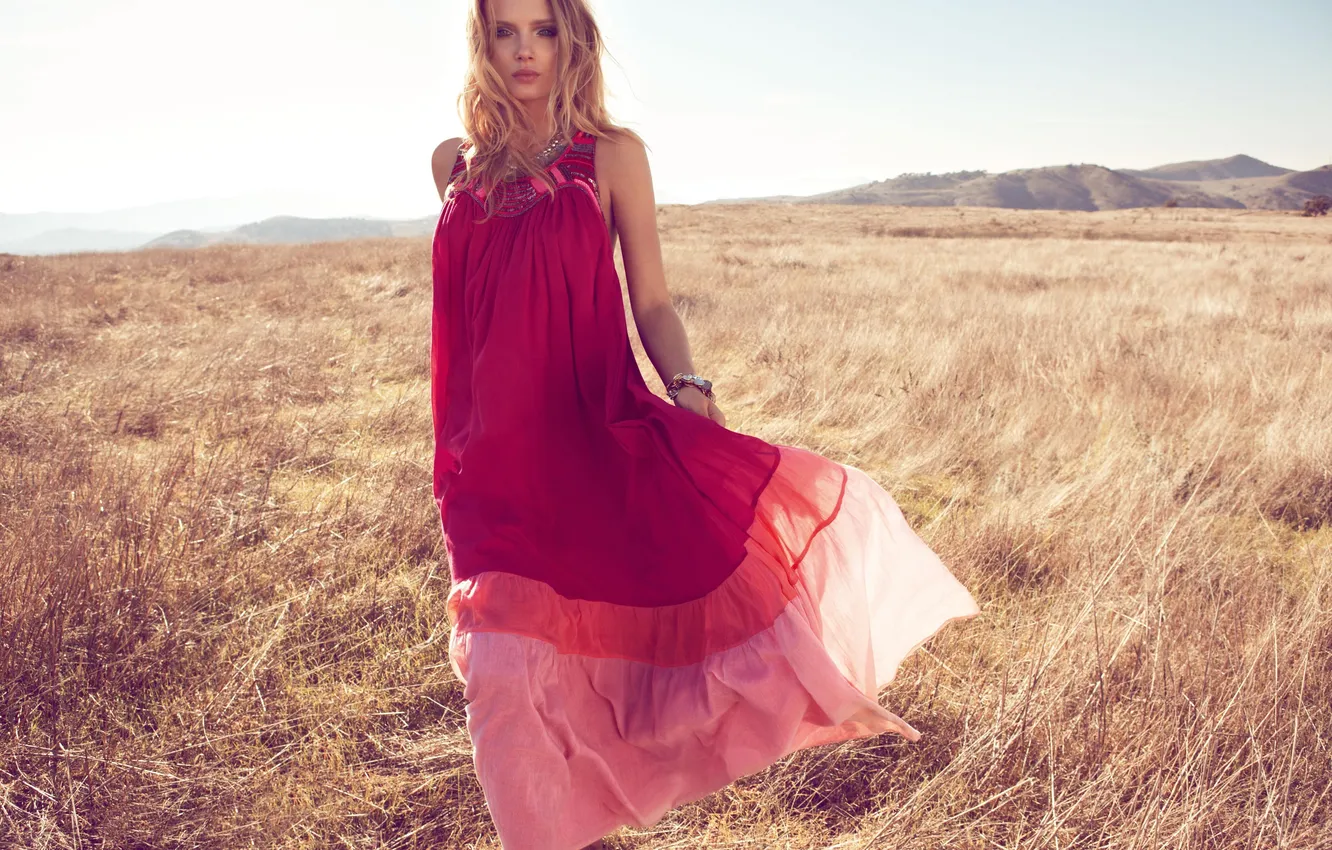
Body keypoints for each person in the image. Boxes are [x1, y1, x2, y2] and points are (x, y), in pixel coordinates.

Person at [428, 1, 981, 848]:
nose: (525, 49)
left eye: (542, 29)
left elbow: (650, 298)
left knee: (574, 671)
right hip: (490, 467)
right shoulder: (454, 166)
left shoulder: (611, 157)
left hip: (589, 440)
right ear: (483, 42)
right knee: (501, 676)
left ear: (571, 37)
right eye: (505, 30)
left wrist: (687, 387)